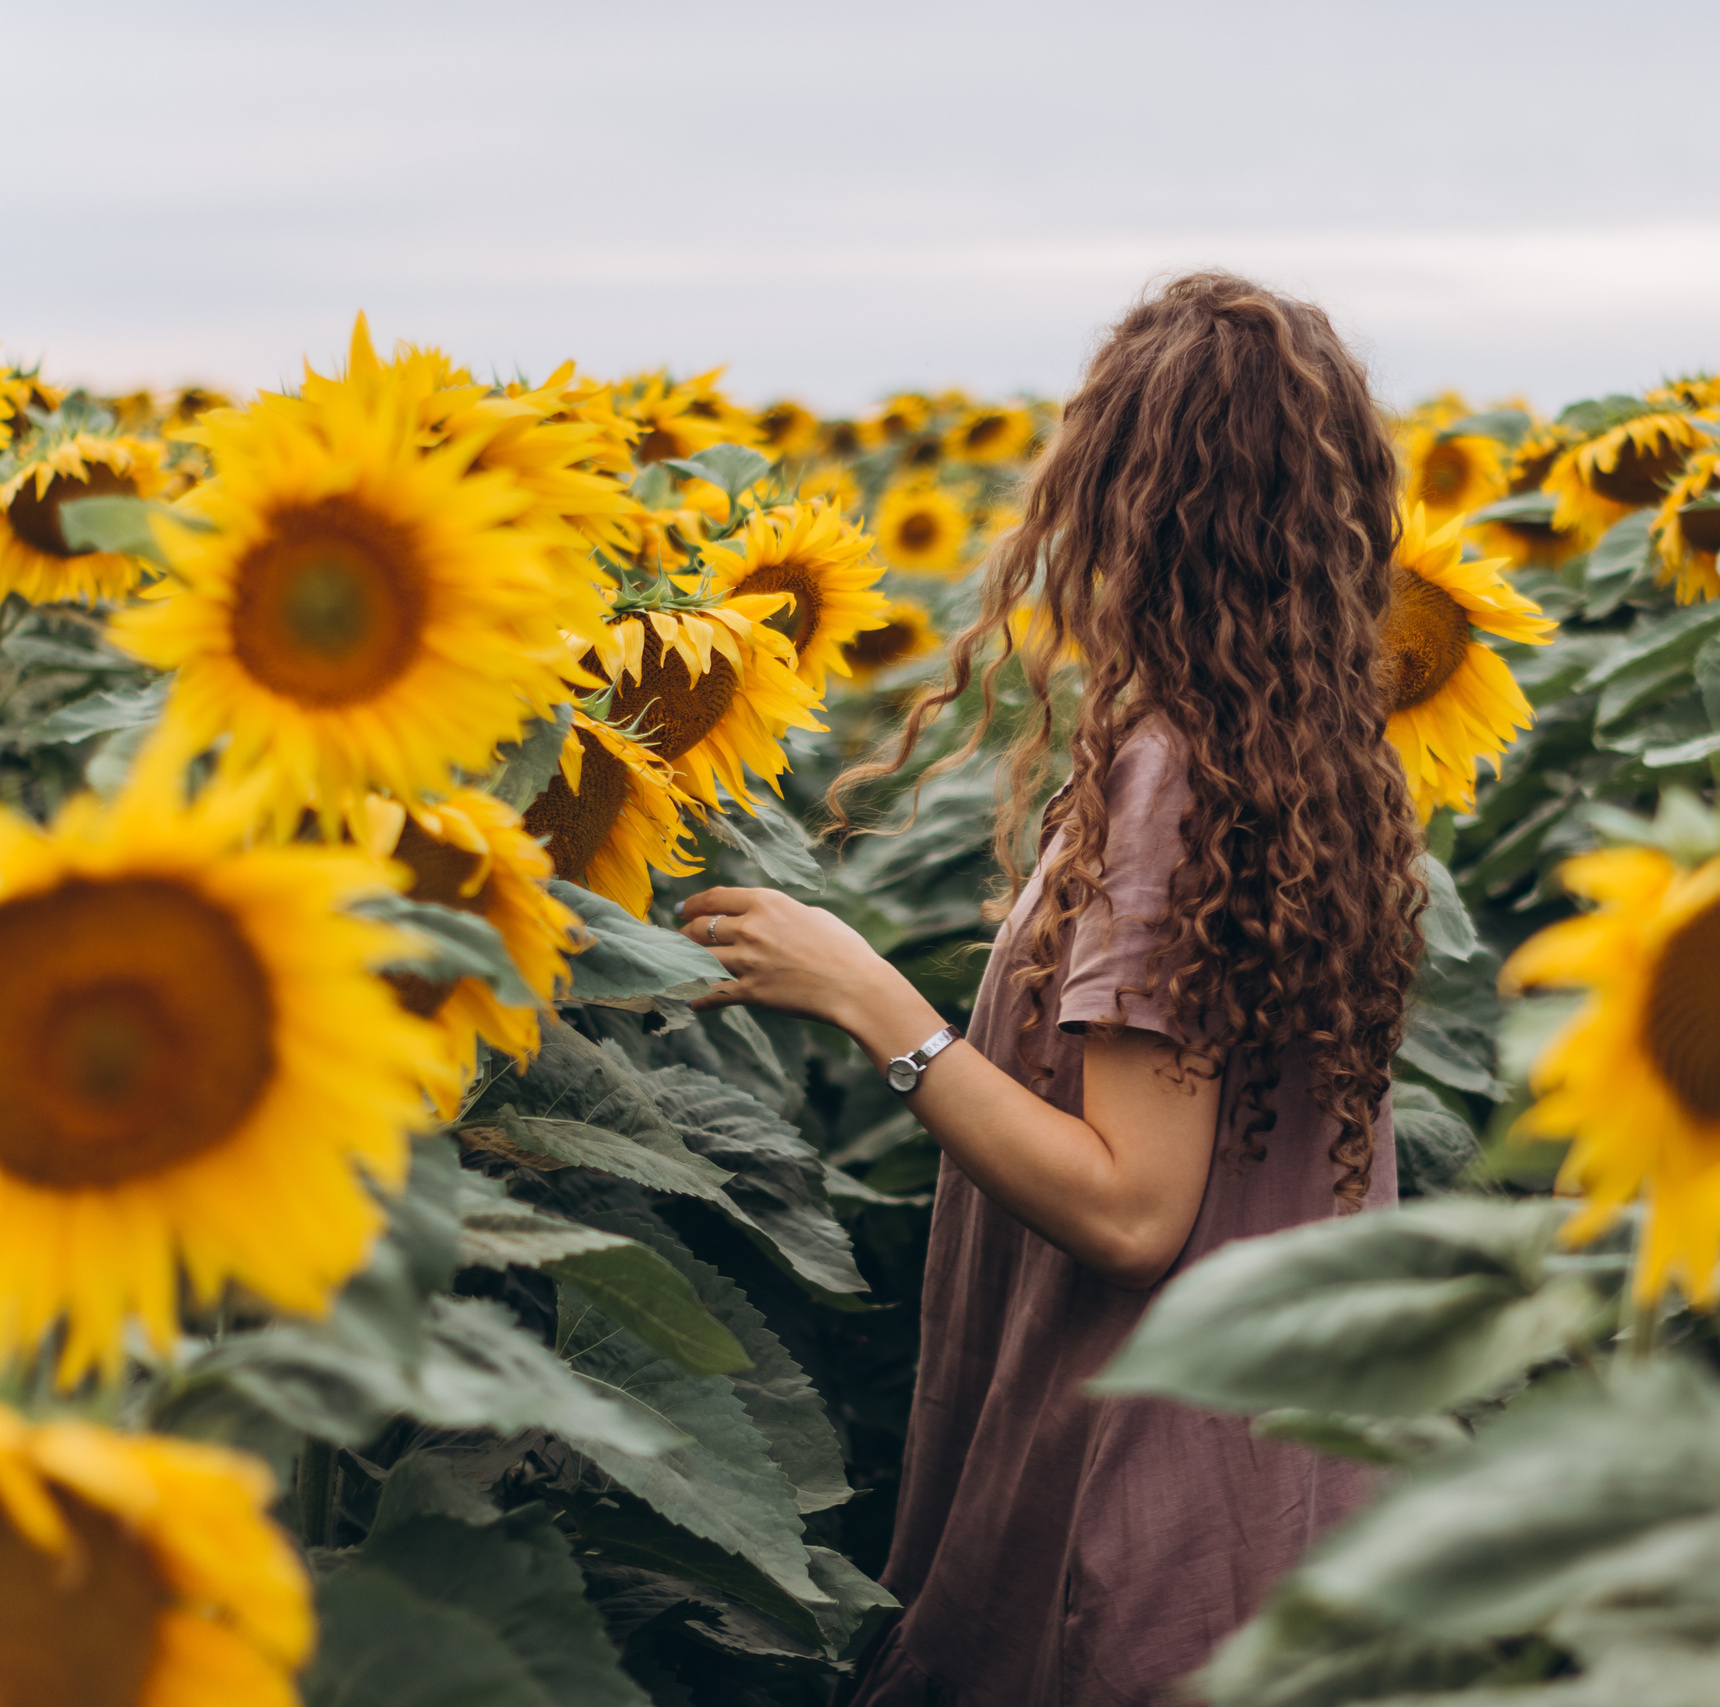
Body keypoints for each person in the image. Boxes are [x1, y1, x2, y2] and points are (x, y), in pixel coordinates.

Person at [676, 271, 1428, 1707]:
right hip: (1267, 1494)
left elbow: (1130, 1207)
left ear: (1138, 507)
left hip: (1138, 1521)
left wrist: (871, 1001)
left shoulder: (1178, 778)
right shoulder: (1314, 754)